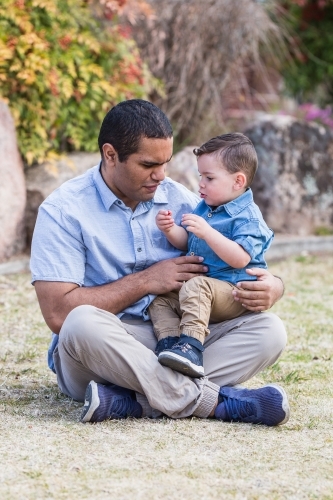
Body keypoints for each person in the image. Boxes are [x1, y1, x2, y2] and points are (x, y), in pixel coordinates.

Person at [30, 99, 289, 426]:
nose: (161, 176)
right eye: (149, 164)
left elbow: (234, 256)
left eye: (165, 163)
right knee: (80, 323)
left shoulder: (184, 200)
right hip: (107, 345)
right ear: (111, 155)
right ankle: (214, 402)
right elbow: (58, 315)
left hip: (179, 345)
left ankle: (132, 401)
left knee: (270, 331)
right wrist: (147, 281)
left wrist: (274, 287)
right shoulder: (63, 211)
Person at [149, 133, 273, 378]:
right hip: (205, 290)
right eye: (200, 176)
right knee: (160, 299)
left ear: (238, 181)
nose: (201, 184)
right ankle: (171, 342)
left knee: (196, 287)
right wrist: (170, 229)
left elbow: (240, 258)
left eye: (209, 177)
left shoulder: (247, 217)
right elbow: (188, 241)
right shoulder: (207, 207)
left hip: (234, 292)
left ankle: (192, 348)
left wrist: (207, 232)